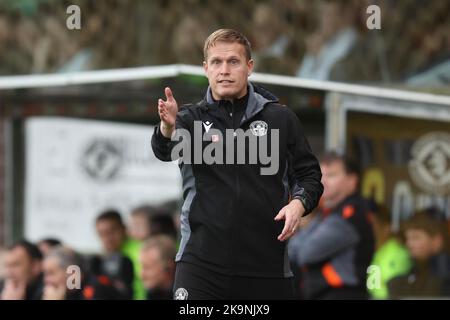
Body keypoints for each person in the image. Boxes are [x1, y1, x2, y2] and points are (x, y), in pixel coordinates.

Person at [151, 28, 323, 300]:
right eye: (217, 63)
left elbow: (310, 176)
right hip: (200, 264)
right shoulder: (189, 119)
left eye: (234, 61)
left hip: (266, 266)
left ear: (249, 66)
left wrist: (298, 203)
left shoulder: (280, 119)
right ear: (205, 68)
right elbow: (163, 151)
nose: (225, 70)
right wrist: (166, 127)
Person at [289, 152, 375, 299]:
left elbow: (305, 253)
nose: (323, 181)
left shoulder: (350, 214)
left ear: (352, 180)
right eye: (321, 175)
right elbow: (292, 250)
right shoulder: (328, 212)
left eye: (332, 175)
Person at [388, 211, 450, 299]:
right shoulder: (419, 267)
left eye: (416, 237)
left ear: (437, 241)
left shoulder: (442, 275)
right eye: (407, 238)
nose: (409, 244)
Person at [42, 246, 120, 300]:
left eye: (51, 273)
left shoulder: (97, 288)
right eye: (45, 274)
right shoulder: (61, 291)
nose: (46, 280)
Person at [368, 204, 412, 299]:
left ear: (386, 228)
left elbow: (395, 292)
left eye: (372, 225)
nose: (368, 229)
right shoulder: (377, 250)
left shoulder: (396, 253)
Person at [93, 210, 137, 299]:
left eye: (111, 231)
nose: (108, 238)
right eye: (102, 234)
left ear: (124, 228)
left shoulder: (143, 253)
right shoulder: (100, 260)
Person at [140, 235, 176, 300]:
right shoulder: (152, 291)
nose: (142, 274)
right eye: (142, 267)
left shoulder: (187, 292)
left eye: (147, 268)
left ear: (168, 268)